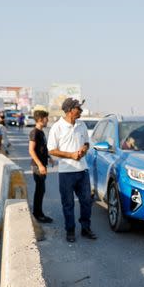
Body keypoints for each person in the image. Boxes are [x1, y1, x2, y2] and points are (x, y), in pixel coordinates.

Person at [47, 97, 96, 243]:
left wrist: (83, 150)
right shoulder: (57, 127)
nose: (80, 110)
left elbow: (87, 143)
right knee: (68, 203)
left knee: (87, 201)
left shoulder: (81, 125)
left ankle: (86, 228)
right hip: (66, 172)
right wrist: (71, 155)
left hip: (82, 171)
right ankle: (70, 230)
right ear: (69, 111)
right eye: (78, 108)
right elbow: (52, 150)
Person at [28, 109, 53, 223]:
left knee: (41, 190)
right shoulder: (35, 132)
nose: (48, 120)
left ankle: (38, 213)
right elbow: (31, 150)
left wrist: (49, 157)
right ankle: (38, 215)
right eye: (46, 118)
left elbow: (42, 148)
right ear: (40, 119)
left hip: (42, 165)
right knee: (40, 190)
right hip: (37, 166)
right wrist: (40, 165)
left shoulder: (41, 132)